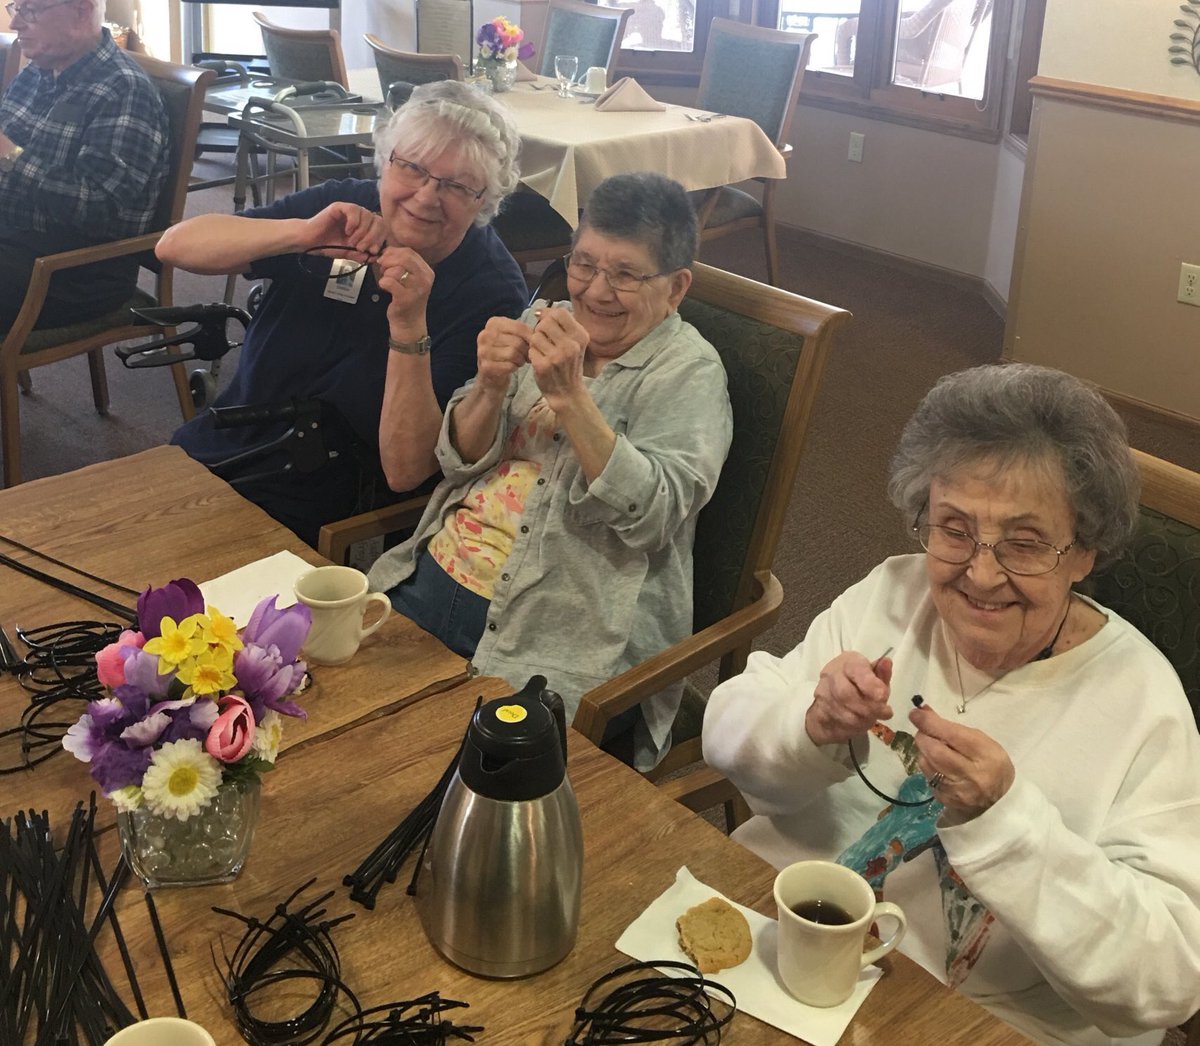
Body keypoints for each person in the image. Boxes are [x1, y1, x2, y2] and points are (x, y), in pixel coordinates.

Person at [704, 364, 1200, 1045]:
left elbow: (1164, 981)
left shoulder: (1141, 703)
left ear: (1084, 551)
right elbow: (727, 736)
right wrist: (807, 726)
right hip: (778, 933)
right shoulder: (892, 594)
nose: (982, 572)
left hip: (970, 1018)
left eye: (1024, 544)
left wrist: (1006, 823)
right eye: (955, 529)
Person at [368, 172, 733, 769]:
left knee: (436, 782)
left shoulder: (687, 373)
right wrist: (487, 386)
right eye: (584, 264)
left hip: (558, 634)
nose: (594, 291)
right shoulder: (549, 315)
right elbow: (455, 460)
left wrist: (573, 399)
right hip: (433, 576)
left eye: (625, 274)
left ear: (676, 288)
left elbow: (657, 516)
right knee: (327, 725)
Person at [159, 80, 528, 547]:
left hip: (320, 498)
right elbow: (174, 246)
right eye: (412, 167)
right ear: (385, 163)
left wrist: (409, 324)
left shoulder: (489, 291)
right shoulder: (343, 208)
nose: (426, 196)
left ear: (484, 202)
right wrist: (300, 235)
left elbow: (407, 470)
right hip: (223, 442)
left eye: (456, 185)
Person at [0, 0, 169, 332]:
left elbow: (97, 206)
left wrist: (11, 156)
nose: (16, 22)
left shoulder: (125, 91)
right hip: (18, 238)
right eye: (16, 8)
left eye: (30, 10)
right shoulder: (37, 73)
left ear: (80, 11)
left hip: (76, 269)